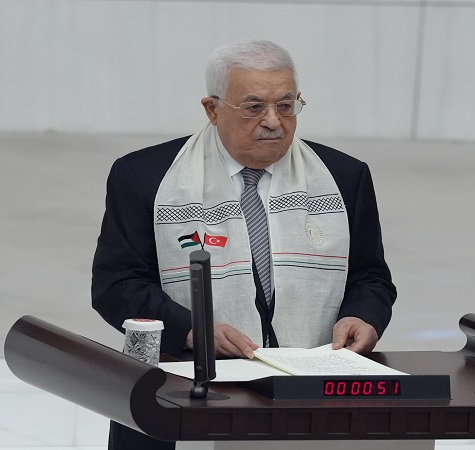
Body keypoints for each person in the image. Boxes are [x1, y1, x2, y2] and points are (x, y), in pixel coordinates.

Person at [91, 39, 397, 450]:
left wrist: (364, 317)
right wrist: (194, 332)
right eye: (254, 107)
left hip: (310, 390)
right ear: (212, 109)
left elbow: (370, 277)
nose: (273, 122)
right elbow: (117, 286)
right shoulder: (145, 176)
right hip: (180, 386)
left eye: (286, 106)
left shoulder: (343, 177)